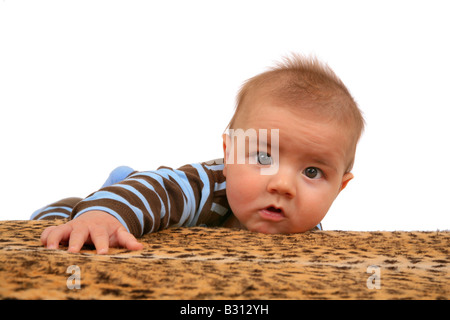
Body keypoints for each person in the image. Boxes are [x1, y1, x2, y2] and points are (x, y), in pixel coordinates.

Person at [32, 53, 365, 254]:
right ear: (230, 153)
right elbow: (158, 190)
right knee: (68, 221)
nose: (283, 185)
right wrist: (105, 217)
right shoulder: (206, 185)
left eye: (312, 172)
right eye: (264, 158)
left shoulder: (309, 236)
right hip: (129, 198)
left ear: (340, 187)